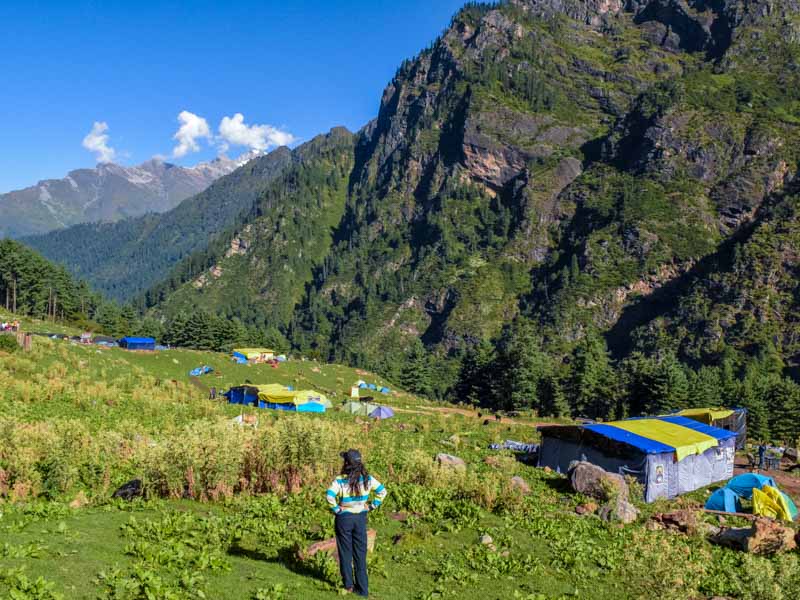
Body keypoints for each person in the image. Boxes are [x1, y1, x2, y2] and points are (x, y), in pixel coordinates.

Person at [325, 449, 386, 597]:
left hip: (344, 518)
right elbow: (382, 491)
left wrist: (336, 509)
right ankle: (363, 589)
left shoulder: (340, 479)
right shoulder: (367, 479)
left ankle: (348, 585)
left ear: (346, 463)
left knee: (345, 553)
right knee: (360, 553)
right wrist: (371, 506)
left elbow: (329, 495)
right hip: (360, 518)